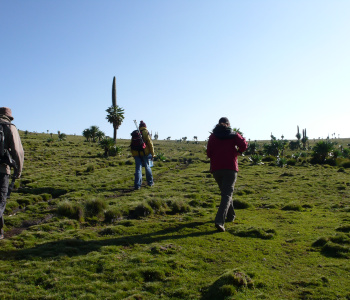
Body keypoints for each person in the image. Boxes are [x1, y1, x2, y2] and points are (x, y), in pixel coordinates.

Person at [207, 117, 247, 232]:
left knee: (226, 193)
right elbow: (244, 144)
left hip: (216, 169)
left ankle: (231, 216)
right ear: (228, 124)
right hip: (230, 167)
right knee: (227, 195)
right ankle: (219, 221)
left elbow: (209, 153)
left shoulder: (213, 136)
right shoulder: (234, 134)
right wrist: (238, 152)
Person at [0, 107, 24, 239]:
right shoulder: (10, 127)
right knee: (1, 200)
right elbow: (18, 151)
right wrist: (18, 171)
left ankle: (0, 231)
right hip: (2, 170)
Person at [130, 120, 155, 190]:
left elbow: (131, 144)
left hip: (136, 153)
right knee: (147, 167)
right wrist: (153, 154)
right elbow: (150, 144)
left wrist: (133, 154)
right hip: (145, 153)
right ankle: (150, 182)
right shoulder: (146, 132)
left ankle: (137, 185)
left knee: (138, 169)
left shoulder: (136, 133)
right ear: (145, 126)